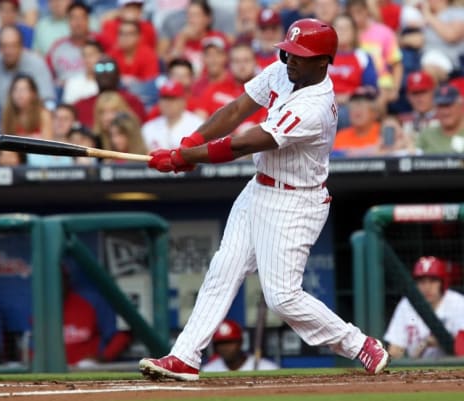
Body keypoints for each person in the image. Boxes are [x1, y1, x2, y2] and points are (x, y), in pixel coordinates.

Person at [139, 18, 390, 382]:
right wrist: (190, 142)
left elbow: (244, 142)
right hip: (259, 188)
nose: (290, 60)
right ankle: (185, 356)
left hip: (295, 202)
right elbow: (237, 109)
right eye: (288, 52)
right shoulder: (282, 71)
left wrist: (183, 159)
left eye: (300, 56)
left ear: (323, 62)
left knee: (283, 297)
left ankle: (358, 343)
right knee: (222, 271)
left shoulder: (315, 105)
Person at [384, 256, 464, 359]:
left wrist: (444, 340)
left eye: (433, 281)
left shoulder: (458, 302)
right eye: (422, 281)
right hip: (419, 369)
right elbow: (395, 349)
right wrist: (423, 345)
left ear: (442, 283)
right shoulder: (407, 304)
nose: (427, 287)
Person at [195, 42, 267, 135]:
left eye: (246, 60)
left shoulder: (264, 92)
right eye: (236, 61)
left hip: (251, 145)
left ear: (255, 62)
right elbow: (199, 119)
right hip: (216, 144)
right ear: (229, 64)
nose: (242, 66)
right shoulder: (215, 88)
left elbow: (264, 128)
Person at [0, 25, 56, 108]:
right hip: (0, 117)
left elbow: (47, 100)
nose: (8, 51)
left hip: (32, 115)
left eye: (13, 45)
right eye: (4, 46)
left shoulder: (36, 63)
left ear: (21, 46)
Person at [329, 13, 378, 130]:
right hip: (325, 104)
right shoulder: (322, 58)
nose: (342, 31)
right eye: (339, 28)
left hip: (352, 104)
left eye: (346, 28)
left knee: (345, 114)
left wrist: (349, 96)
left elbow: (371, 88)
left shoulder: (362, 56)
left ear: (354, 32)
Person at [74, 56, 147, 127]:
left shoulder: (133, 102)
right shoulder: (81, 106)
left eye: (110, 67)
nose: (105, 72)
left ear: (118, 74)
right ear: (94, 75)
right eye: (100, 68)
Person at [142, 80, 203, 151]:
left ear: (183, 101)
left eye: (172, 99)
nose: (168, 103)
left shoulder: (197, 125)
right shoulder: (149, 127)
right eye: (164, 98)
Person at [46, 0, 94, 88]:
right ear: (68, 22)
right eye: (73, 18)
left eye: (81, 18)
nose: (78, 23)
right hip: (64, 93)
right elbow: (47, 76)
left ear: (88, 21)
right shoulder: (57, 47)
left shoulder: (98, 43)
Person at [202, 319, 279, 372]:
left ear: (240, 342)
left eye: (230, 342)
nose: (225, 348)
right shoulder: (208, 371)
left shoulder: (266, 368)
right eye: (221, 343)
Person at [0, 73, 53, 140]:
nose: (19, 94)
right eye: (15, 89)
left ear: (33, 93)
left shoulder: (43, 114)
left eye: (24, 89)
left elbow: (48, 143)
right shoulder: (6, 114)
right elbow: (4, 145)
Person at [332, 86, 381, 157]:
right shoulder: (340, 137)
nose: (357, 109)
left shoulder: (383, 133)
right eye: (353, 105)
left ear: (374, 112)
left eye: (362, 105)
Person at [416, 84, 464, 154]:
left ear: (460, 105)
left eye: (449, 105)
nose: (445, 112)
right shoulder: (427, 134)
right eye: (441, 106)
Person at [398, 70, 438, 142]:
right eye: (415, 93)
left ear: (433, 92)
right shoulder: (401, 121)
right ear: (408, 96)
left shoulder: (444, 118)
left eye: (423, 92)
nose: (419, 98)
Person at [61, 39, 102, 105]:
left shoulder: (108, 82)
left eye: (91, 55)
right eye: (84, 56)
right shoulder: (72, 83)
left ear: (101, 56)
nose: (87, 59)